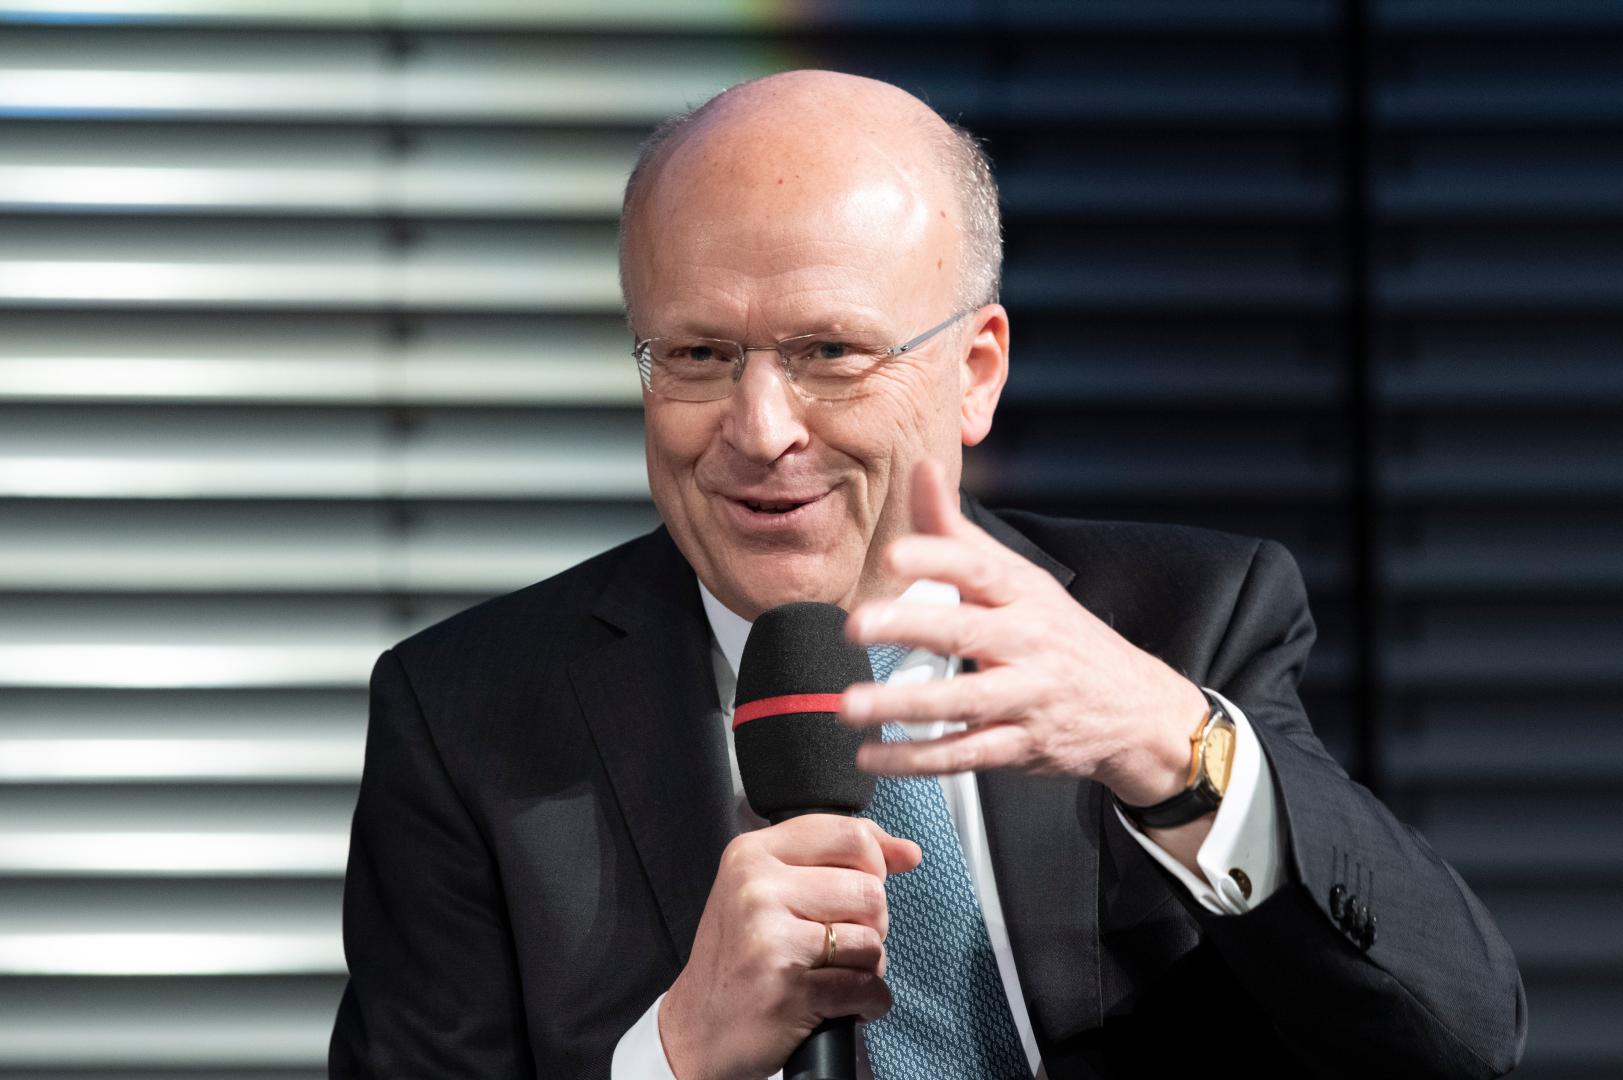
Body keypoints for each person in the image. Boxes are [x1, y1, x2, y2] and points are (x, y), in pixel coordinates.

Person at [329, 71, 1525, 1078]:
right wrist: (676, 1056)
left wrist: (1174, 745)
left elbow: (1458, 1039)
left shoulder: (1184, 626)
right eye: (697, 353)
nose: (760, 429)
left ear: (976, 372)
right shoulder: (472, 716)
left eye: (828, 352)